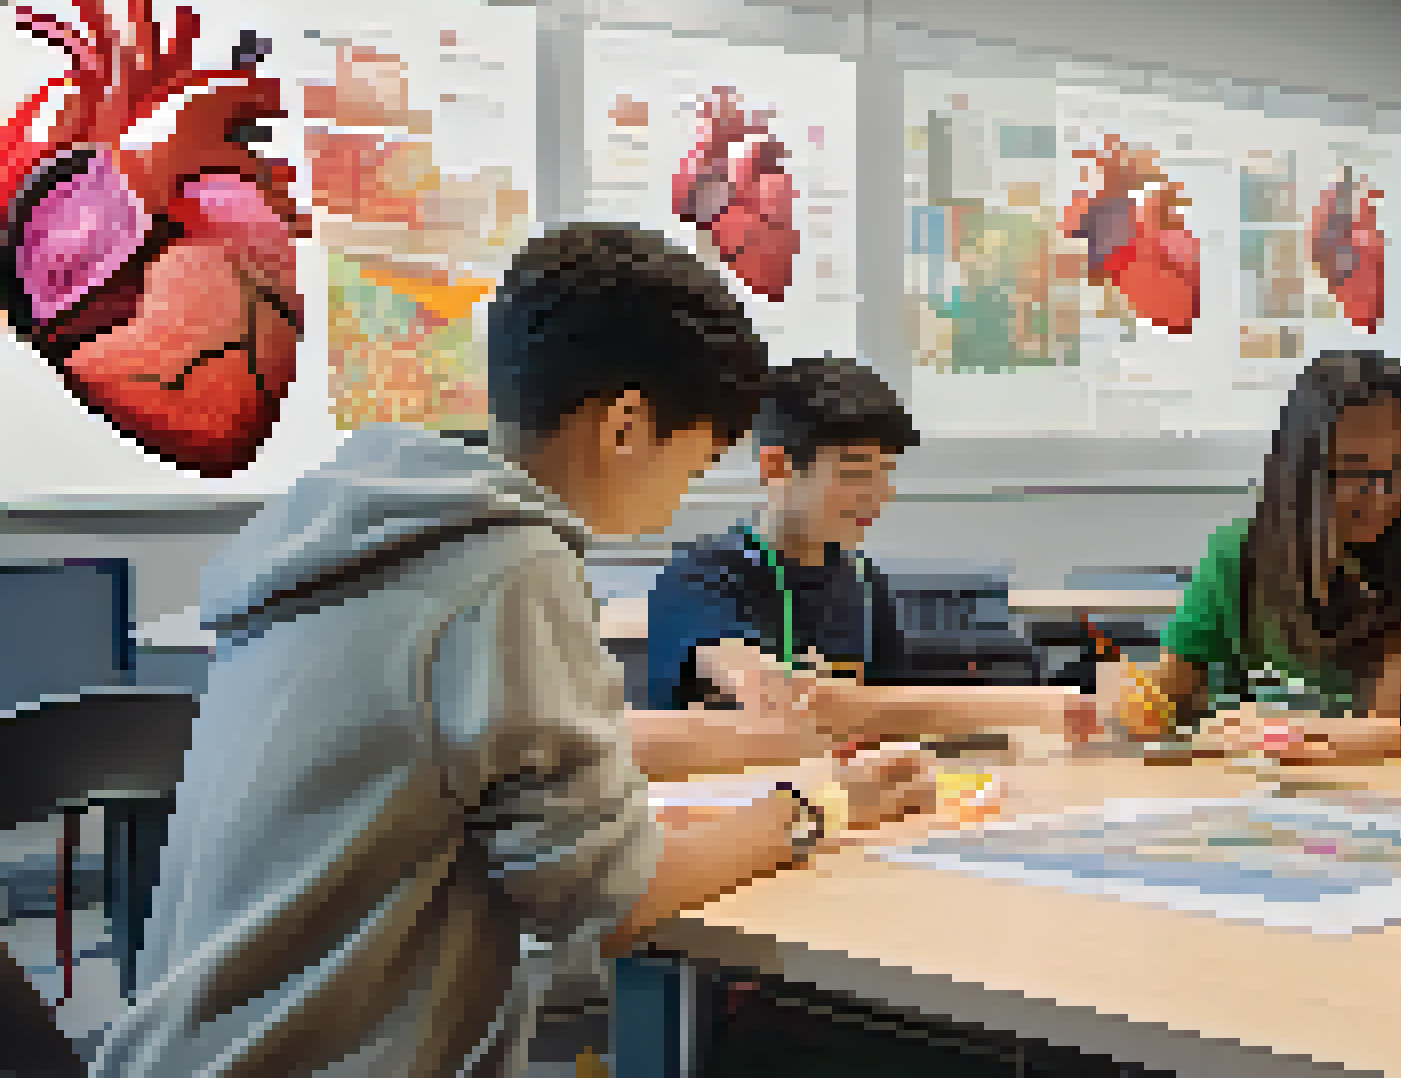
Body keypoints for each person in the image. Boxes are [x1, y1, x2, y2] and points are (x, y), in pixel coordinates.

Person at [91, 225, 929, 1078]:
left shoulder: (368, 526)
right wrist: (815, 807)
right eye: (697, 460)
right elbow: (614, 900)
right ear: (628, 426)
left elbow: (493, 771)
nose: (685, 496)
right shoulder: (511, 567)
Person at [644, 356, 1092, 752]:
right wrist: (1032, 705)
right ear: (776, 467)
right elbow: (779, 699)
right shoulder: (700, 577)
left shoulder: (861, 580)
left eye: (886, 475)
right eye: (856, 473)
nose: (876, 497)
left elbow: (887, 716)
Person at [1109, 350, 1401, 761]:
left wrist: (1265, 731)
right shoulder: (1238, 559)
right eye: (1355, 471)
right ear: (1300, 469)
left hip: (1379, 802)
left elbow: (1375, 736)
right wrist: (1128, 705)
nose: (1382, 495)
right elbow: (1164, 697)